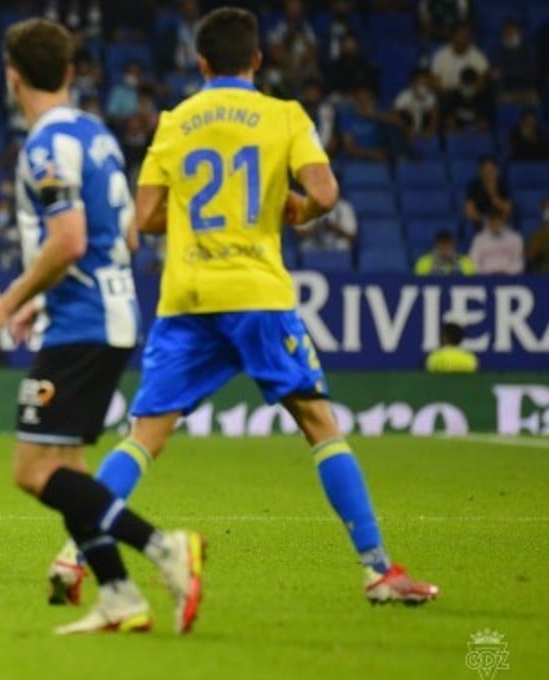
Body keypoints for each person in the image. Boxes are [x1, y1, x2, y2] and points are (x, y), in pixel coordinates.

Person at [127, 7, 438, 606]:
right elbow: (324, 193)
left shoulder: (176, 120)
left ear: (201, 62)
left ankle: (76, 552)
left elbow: (144, 218)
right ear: (258, 61)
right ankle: (377, 570)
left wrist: (194, 216)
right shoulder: (283, 116)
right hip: (258, 293)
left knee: (144, 435)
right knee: (319, 424)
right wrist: (291, 208)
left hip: (188, 294)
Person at [0, 18, 204, 636]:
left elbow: (68, 241)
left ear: (11, 76)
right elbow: (125, 234)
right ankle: (121, 597)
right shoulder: (96, 135)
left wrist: (4, 303)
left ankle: (163, 549)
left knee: (33, 472)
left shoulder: (46, 145)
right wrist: (36, 303)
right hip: (108, 312)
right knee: (65, 471)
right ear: (70, 72)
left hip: (84, 323)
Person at [468, 210, 524, 275]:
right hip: (485, 278)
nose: (495, 224)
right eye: (492, 222)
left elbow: (518, 263)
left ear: (503, 222)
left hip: (509, 277)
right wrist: (487, 274)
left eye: (498, 221)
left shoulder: (515, 238)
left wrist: (506, 273)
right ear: (488, 222)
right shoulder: (479, 239)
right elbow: (473, 262)